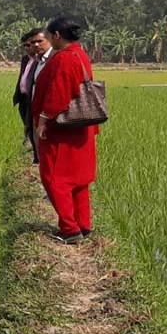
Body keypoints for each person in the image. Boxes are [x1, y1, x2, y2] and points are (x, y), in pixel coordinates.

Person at [31, 17, 98, 244]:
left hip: (63, 131)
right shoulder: (81, 54)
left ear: (57, 35)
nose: (49, 40)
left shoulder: (64, 59)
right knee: (79, 180)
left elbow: (58, 95)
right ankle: (83, 224)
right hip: (81, 129)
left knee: (55, 179)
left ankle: (69, 229)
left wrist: (42, 121)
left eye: (49, 36)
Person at [23, 29, 53, 164]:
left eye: (39, 41)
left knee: (50, 151)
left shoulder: (55, 59)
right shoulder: (38, 61)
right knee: (40, 148)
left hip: (49, 115)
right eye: (32, 42)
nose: (35, 45)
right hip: (35, 109)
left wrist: (44, 118)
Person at [13, 30, 39, 146]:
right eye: (25, 45)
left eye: (29, 45)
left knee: (31, 123)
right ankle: (29, 141)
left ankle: (34, 151)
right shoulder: (25, 59)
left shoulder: (40, 60)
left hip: (33, 97)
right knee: (26, 121)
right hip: (23, 97)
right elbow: (22, 76)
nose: (27, 48)